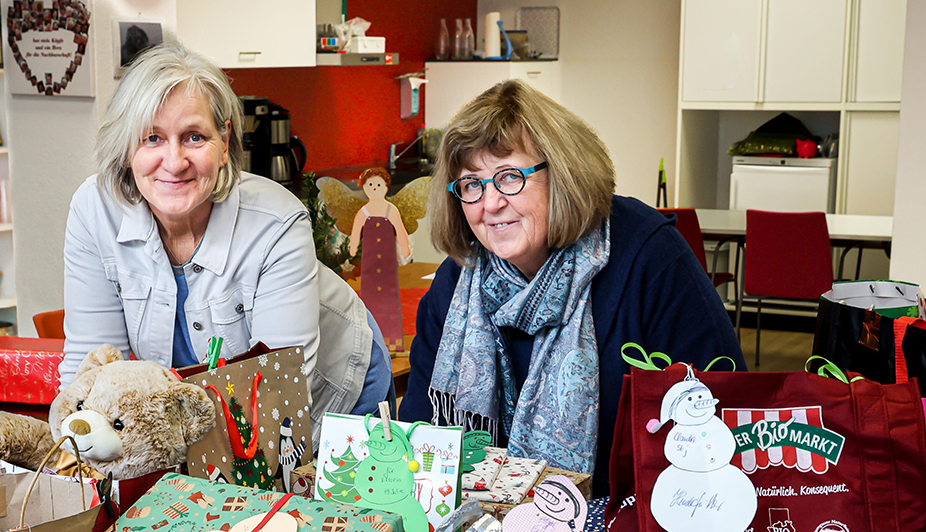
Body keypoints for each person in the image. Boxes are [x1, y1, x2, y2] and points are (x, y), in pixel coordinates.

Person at [399, 79, 744, 496]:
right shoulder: (458, 279)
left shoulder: (648, 255)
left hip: (628, 527)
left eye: (509, 177)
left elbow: (723, 407)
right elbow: (417, 430)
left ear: (561, 173)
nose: (490, 204)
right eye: (472, 184)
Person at [61, 42, 391, 416]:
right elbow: (91, 371)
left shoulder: (277, 223)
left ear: (224, 143)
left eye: (194, 137)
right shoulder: (94, 210)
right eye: (152, 138)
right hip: (213, 415)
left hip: (333, 393)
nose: (174, 162)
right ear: (125, 146)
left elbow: (278, 397)